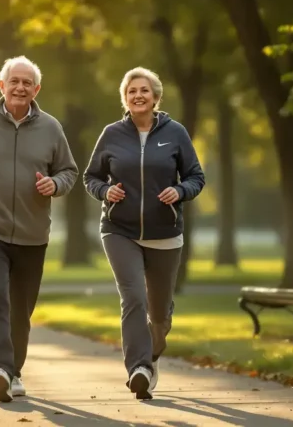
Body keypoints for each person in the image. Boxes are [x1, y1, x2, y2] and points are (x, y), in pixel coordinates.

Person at [0, 56, 78, 403]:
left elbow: (69, 171)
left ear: (37, 89)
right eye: (14, 81)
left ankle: (14, 371)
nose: (20, 87)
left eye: (27, 83)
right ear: (2, 86)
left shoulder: (51, 128)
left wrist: (55, 183)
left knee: (21, 308)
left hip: (33, 234)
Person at [83, 66, 205, 400]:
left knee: (160, 313)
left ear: (155, 97)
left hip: (165, 233)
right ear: (125, 99)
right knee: (133, 297)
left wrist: (179, 192)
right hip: (119, 230)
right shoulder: (111, 134)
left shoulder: (175, 132)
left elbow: (196, 176)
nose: (138, 95)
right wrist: (105, 192)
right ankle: (138, 368)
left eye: (144, 90)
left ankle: (152, 353)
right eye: (131, 91)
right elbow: (91, 177)